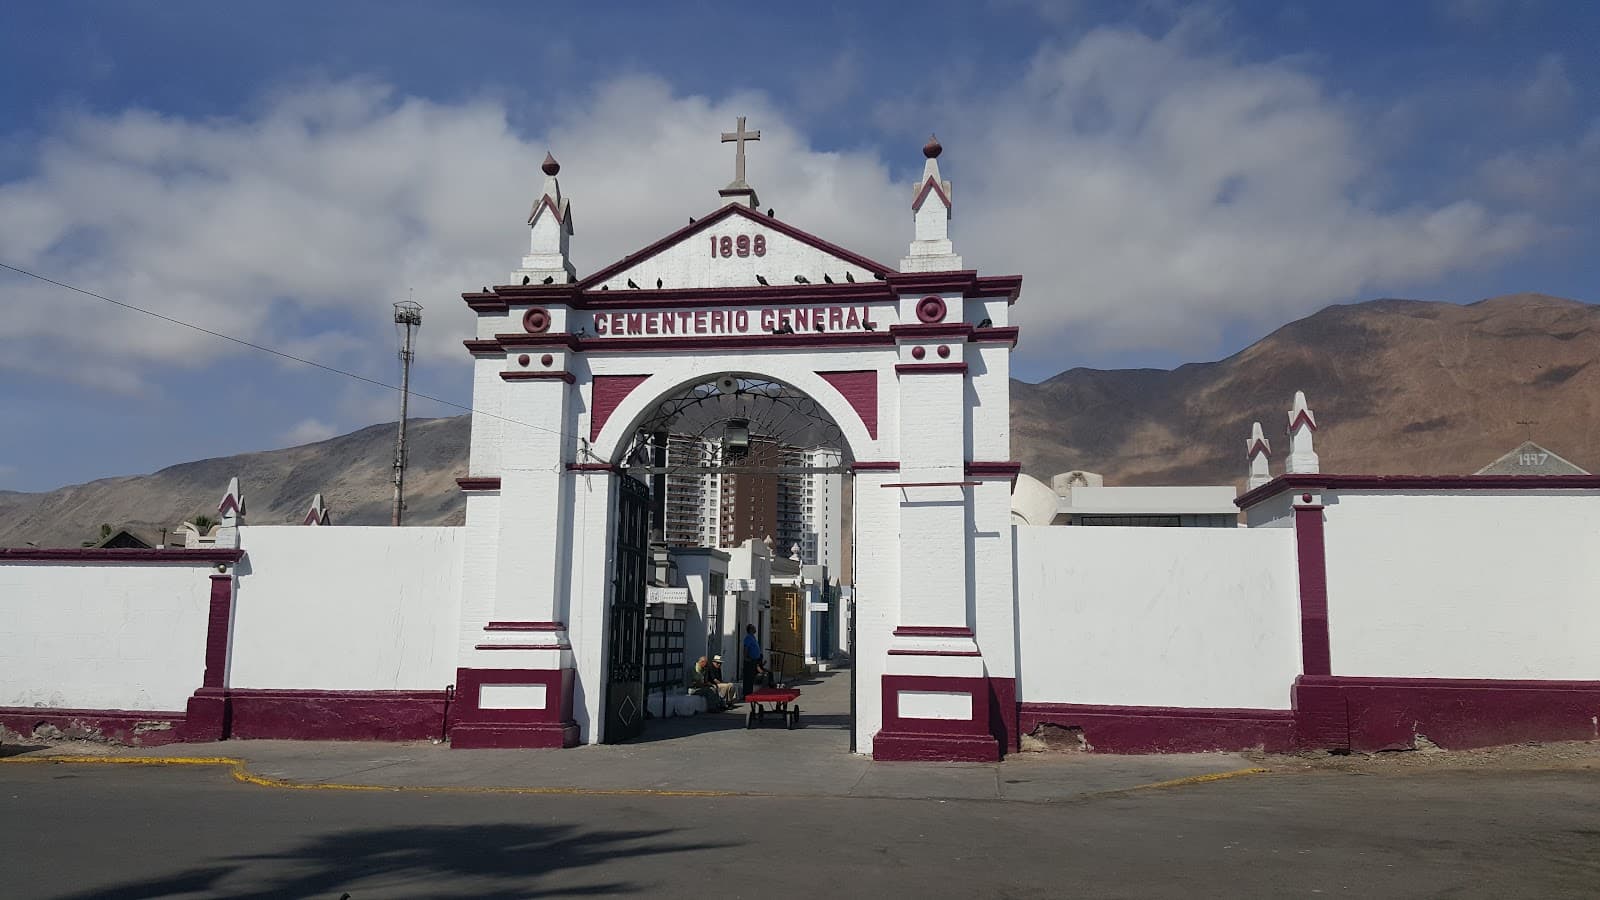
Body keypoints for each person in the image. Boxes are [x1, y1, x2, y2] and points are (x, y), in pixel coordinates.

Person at [741, 623, 764, 698]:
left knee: (752, 678)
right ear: (750, 629)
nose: (755, 629)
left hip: (755, 661)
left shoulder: (753, 637)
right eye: (753, 628)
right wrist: (746, 657)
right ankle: (746, 694)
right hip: (750, 661)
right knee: (748, 678)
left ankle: (751, 692)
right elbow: (746, 648)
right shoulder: (748, 638)